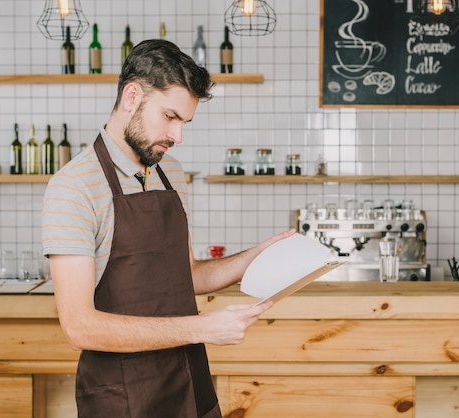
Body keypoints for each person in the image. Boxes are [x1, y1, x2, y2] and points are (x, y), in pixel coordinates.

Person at [41, 39, 294, 417]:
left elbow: (186, 275)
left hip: (189, 384)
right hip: (122, 398)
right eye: (170, 117)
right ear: (131, 97)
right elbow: (80, 327)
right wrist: (203, 329)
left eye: (185, 122)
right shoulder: (73, 186)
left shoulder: (171, 173)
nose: (178, 137)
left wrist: (255, 257)